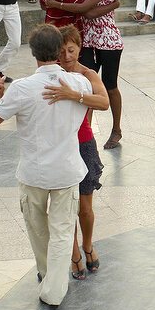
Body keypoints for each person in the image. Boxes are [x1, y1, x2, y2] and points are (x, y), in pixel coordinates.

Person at [0, 24, 93, 306]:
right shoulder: (78, 84)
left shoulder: (22, 87)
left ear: (33, 53)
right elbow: (96, 100)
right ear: (59, 52)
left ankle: (48, 276)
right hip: (67, 170)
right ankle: (53, 288)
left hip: (33, 172)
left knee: (38, 229)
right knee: (62, 231)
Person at [43, 0, 123, 149]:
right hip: (89, 40)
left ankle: (116, 130)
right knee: (86, 83)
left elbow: (86, 11)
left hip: (107, 40)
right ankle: (85, 131)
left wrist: (57, 4)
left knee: (110, 85)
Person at [51, 25, 110, 280]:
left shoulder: (87, 75)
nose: (66, 56)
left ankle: (87, 245)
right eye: (61, 51)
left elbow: (104, 102)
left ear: (80, 48)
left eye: (71, 50)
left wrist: (74, 95)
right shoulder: (49, 74)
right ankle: (74, 254)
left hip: (84, 143)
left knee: (85, 208)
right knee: (65, 206)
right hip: (59, 145)